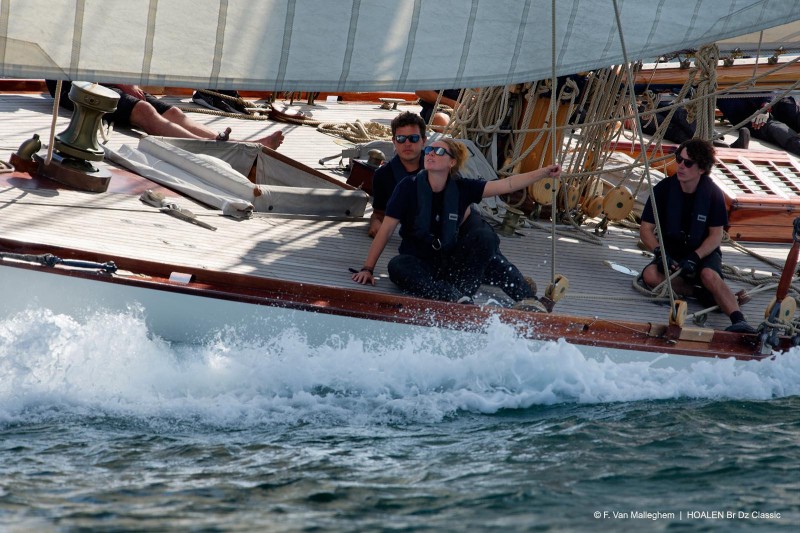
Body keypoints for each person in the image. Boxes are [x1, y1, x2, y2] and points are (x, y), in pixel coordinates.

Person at [353, 136, 560, 308]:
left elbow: (507, 184)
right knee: (397, 266)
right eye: (430, 150)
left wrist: (543, 173)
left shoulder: (463, 188)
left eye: (440, 151)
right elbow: (387, 229)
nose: (431, 153)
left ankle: (532, 303)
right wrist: (367, 268)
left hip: (456, 264)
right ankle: (454, 297)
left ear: (452, 162)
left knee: (487, 242)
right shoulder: (408, 188)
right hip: (422, 262)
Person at [639, 138, 757, 334]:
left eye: (688, 162)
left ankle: (738, 320)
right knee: (650, 275)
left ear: (701, 169)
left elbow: (716, 236)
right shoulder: (663, 190)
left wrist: (695, 257)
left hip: (703, 252)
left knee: (708, 275)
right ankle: (704, 294)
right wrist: (660, 253)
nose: (681, 166)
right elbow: (645, 229)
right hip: (672, 252)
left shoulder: (713, 195)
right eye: (679, 159)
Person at [45, 80, 283, 149]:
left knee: (175, 112)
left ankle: (235, 144)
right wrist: (121, 83)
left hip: (108, 80)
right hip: (74, 86)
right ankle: (209, 146)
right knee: (144, 110)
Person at [716, 94, 800, 157]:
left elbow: (768, 86)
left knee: (790, 108)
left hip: (769, 102)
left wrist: (765, 107)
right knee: (777, 129)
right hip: (749, 117)